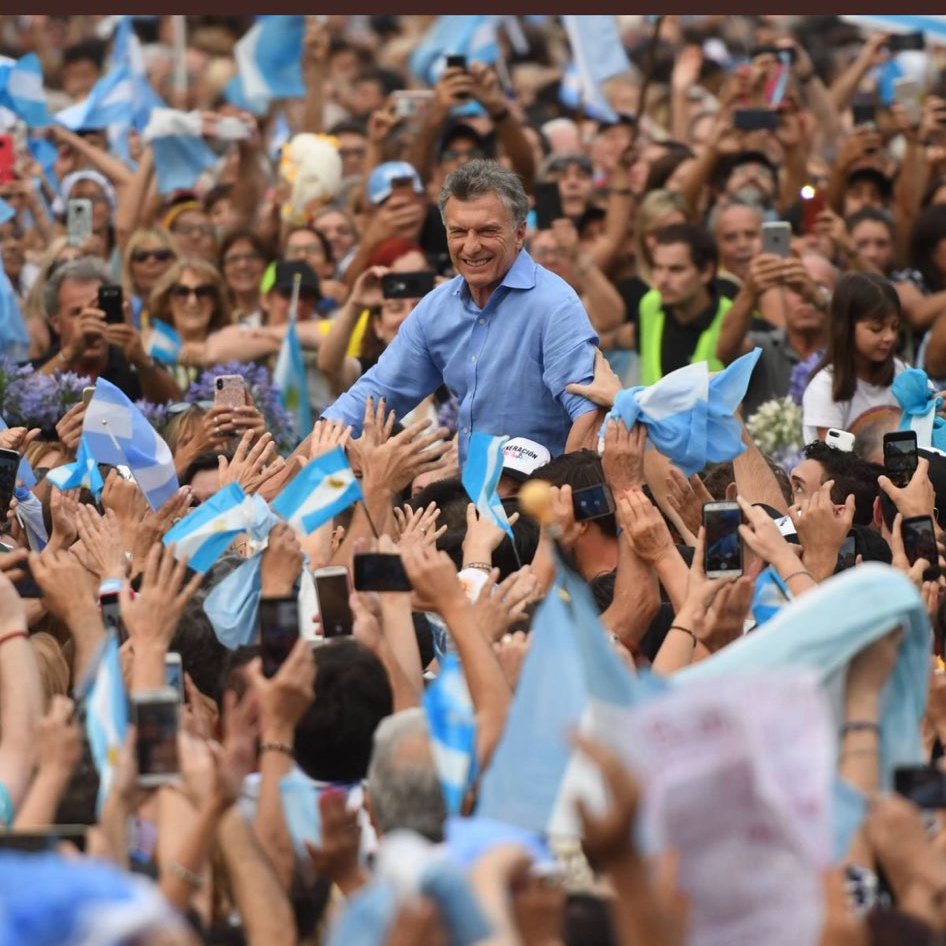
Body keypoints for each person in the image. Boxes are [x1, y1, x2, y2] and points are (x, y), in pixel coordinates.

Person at [322, 159, 600, 460]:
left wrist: (560, 497)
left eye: (486, 231)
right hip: (469, 495)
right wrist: (281, 486)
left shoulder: (554, 305)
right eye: (458, 232)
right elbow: (368, 401)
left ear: (520, 234)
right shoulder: (436, 308)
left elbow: (589, 415)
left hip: (542, 495)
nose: (470, 247)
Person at [35, 257, 180, 403]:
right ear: (56, 323)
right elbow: (23, 399)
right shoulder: (38, 368)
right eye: (78, 313)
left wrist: (141, 361)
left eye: (98, 309)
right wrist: (72, 352)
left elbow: (174, 408)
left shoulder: (133, 367)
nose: (91, 319)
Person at [717, 251, 835, 417]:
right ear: (783, 297)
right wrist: (750, 291)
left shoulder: (847, 351)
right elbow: (724, 352)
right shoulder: (764, 348)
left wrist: (818, 299)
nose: (805, 296)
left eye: (819, 287)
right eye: (795, 288)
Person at [802, 272, 906, 443]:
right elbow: (832, 461)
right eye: (877, 328)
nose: (890, 337)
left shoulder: (902, 372)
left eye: (894, 327)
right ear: (846, 327)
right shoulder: (826, 387)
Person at [635, 223, 730, 385]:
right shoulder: (649, 304)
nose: (662, 280)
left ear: (706, 271)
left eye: (676, 269)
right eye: (657, 268)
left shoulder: (731, 316)